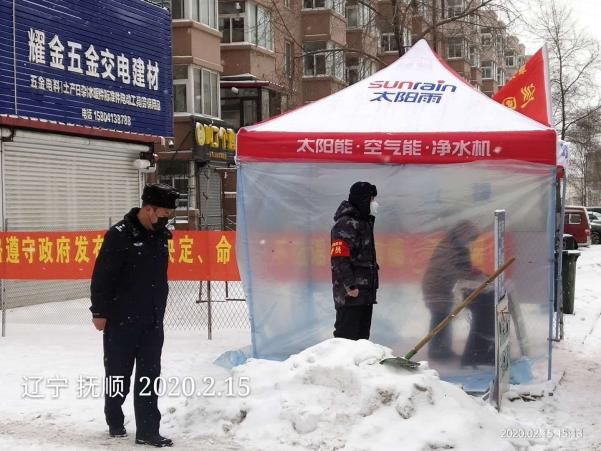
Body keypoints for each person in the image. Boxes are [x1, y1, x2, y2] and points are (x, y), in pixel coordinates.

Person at [90, 183, 179, 448]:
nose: (166, 220)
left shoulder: (159, 235)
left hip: (152, 320)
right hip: (121, 320)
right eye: (164, 214)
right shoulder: (119, 235)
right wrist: (99, 311)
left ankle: (148, 431)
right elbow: (103, 276)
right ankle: (114, 418)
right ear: (149, 209)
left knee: (149, 375)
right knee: (118, 373)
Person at [422, 220, 484, 361]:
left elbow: (464, 268)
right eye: (469, 239)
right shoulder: (448, 247)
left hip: (443, 287)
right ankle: (437, 351)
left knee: (444, 318)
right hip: (435, 287)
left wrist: (475, 273)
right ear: (462, 235)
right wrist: (469, 276)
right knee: (439, 318)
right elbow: (449, 269)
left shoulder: (457, 248)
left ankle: (443, 349)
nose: (470, 242)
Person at [330, 181, 379, 340]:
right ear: (363, 199)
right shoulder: (345, 224)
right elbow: (339, 258)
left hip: (365, 294)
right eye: (371, 199)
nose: (374, 203)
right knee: (346, 341)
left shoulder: (364, 223)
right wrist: (350, 286)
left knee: (362, 344)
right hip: (351, 295)